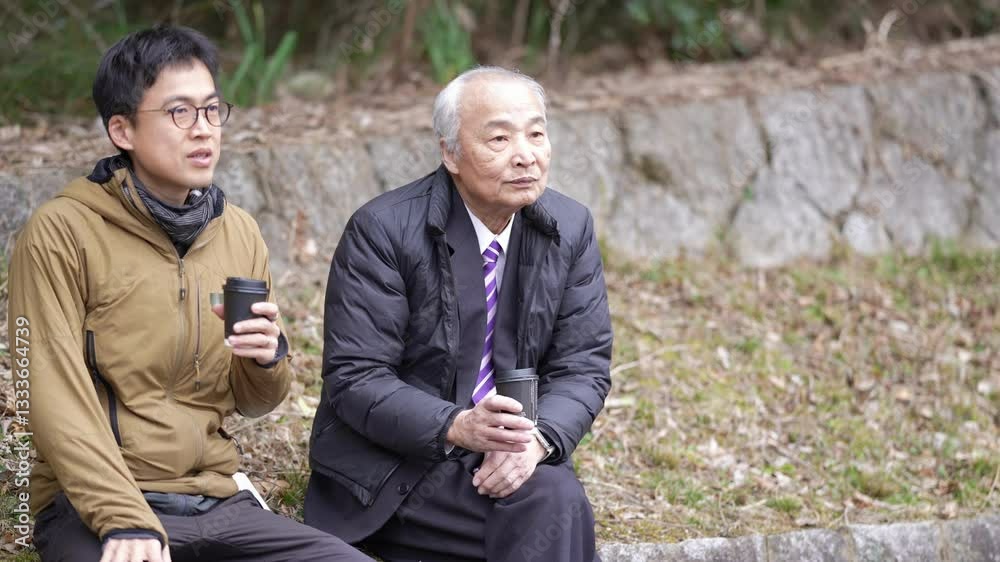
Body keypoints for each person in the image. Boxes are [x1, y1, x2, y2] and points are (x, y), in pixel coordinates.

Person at [7, 25, 368, 562]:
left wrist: (266, 359)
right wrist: (123, 518)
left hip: (218, 502)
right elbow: (50, 392)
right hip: (97, 506)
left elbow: (255, 402)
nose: (203, 130)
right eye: (179, 112)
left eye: (212, 110)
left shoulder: (237, 231)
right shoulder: (63, 232)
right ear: (122, 129)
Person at [304, 66, 613, 562]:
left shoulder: (569, 227)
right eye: (499, 138)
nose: (525, 155)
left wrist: (537, 441)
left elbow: (583, 366)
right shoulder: (383, 230)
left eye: (536, 134)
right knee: (559, 514)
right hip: (397, 470)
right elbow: (356, 378)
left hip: (511, 458)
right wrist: (457, 425)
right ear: (450, 153)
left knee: (554, 499)